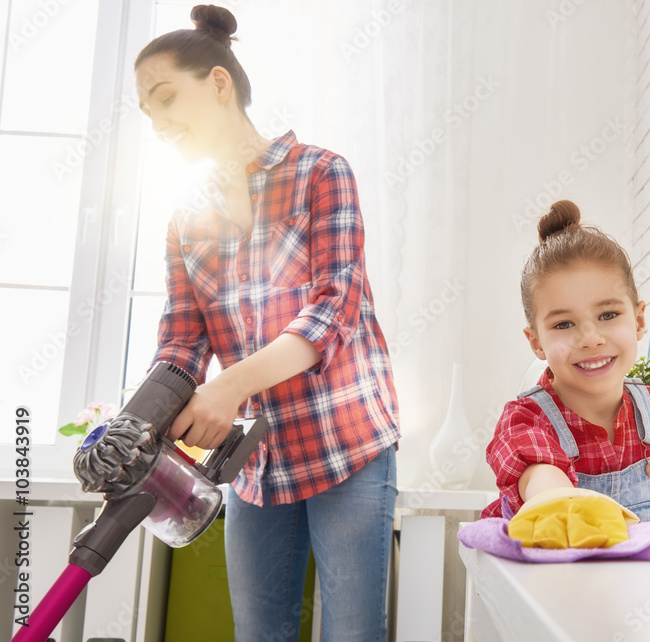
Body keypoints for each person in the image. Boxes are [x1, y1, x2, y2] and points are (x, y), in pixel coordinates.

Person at [134, 6, 399, 640]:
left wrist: (229, 388)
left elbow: (333, 307)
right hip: (257, 462)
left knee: (351, 633)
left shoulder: (320, 173)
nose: (159, 122)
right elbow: (182, 340)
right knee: (259, 633)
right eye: (148, 112)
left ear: (219, 84)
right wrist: (135, 426)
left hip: (348, 441)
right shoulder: (184, 219)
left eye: (166, 98)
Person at [481, 200, 650, 524]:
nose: (590, 338)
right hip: (557, 574)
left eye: (608, 315)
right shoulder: (526, 421)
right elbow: (546, 487)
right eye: (563, 324)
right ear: (536, 342)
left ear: (638, 319)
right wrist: (564, 508)